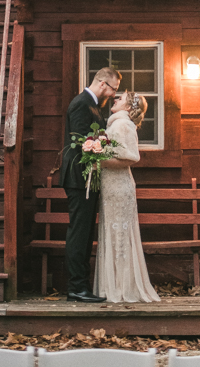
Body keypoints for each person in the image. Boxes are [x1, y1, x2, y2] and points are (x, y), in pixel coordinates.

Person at [93, 90, 160, 303]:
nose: (115, 98)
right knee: (111, 234)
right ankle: (110, 285)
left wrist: (97, 159)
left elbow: (131, 157)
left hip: (119, 189)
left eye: (120, 98)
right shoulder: (114, 124)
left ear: (129, 107)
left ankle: (121, 287)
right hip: (110, 187)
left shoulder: (123, 125)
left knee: (119, 236)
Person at [61, 66, 121, 302]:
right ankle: (76, 287)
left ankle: (82, 286)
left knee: (85, 234)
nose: (113, 94)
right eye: (113, 89)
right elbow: (79, 143)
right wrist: (99, 148)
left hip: (88, 177)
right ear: (103, 84)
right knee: (79, 232)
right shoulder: (81, 103)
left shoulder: (94, 104)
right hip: (79, 177)